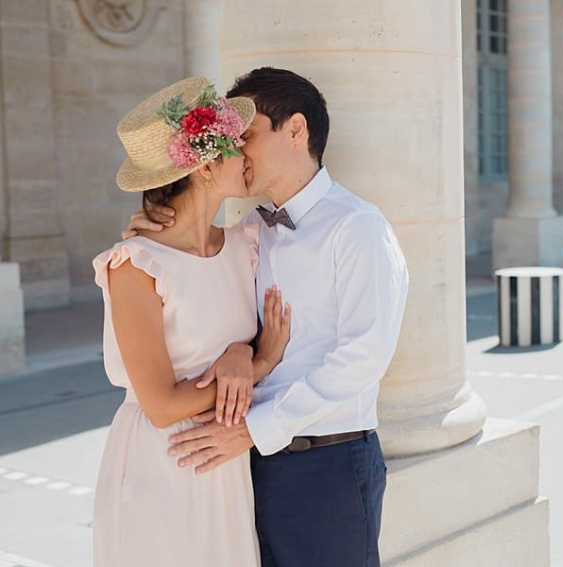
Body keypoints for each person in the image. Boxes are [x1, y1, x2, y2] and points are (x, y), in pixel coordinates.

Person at [125, 68, 410, 567]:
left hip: (326, 465)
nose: (235, 150)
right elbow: (218, 307)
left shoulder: (358, 227)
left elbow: (365, 356)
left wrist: (258, 428)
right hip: (246, 469)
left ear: (295, 131)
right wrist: (240, 350)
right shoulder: (249, 232)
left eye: (246, 135)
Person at [92, 77, 292, 567]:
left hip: (225, 463)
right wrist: (262, 361)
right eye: (231, 144)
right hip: (164, 460)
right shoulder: (136, 265)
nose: (245, 151)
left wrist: (242, 352)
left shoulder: (245, 244)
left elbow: (233, 340)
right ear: (204, 167)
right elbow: (161, 405)